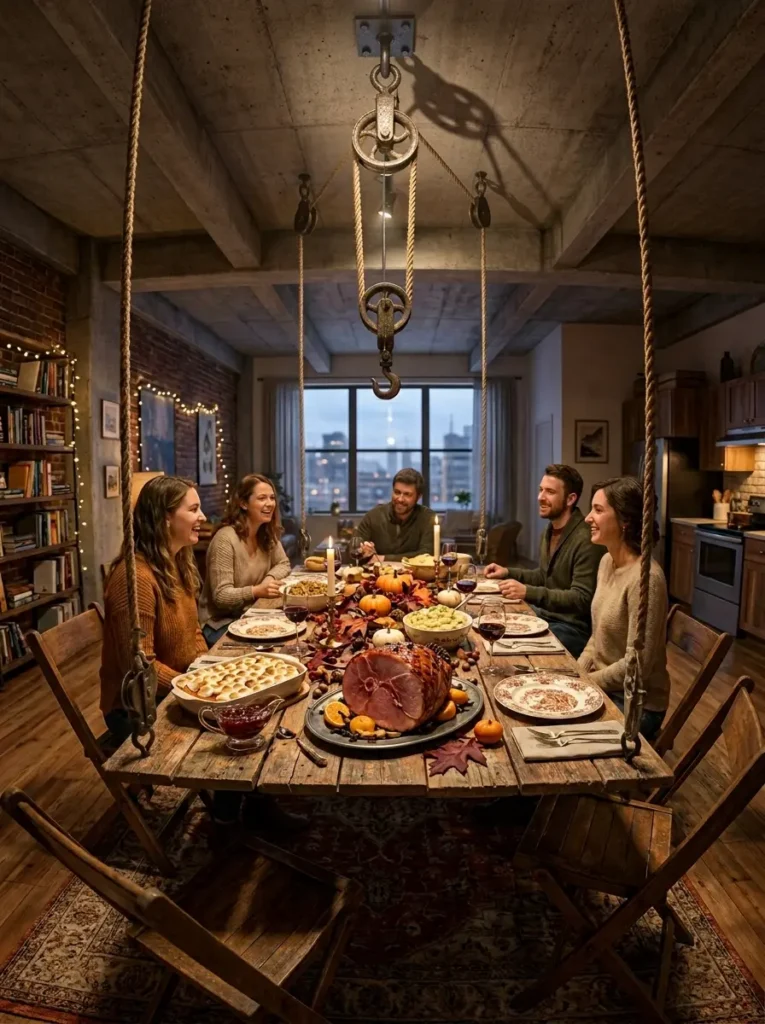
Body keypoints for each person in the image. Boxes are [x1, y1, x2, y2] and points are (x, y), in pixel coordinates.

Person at [100, 475, 208, 743]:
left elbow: (193, 630)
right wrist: (191, 686)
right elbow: (139, 669)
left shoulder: (178, 561)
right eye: (193, 510)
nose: (203, 517)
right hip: (139, 709)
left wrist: (207, 669)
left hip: (179, 687)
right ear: (165, 518)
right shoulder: (134, 578)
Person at [578, 476, 670, 741]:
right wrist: (578, 672)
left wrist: (587, 681)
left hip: (636, 704)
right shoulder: (607, 561)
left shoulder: (647, 579)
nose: (587, 518)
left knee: (556, 730)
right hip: (603, 686)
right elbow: (598, 636)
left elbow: (636, 667)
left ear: (625, 521)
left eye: (598, 510)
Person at [485, 464, 604, 657]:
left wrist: (527, 592)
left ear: (570, 499)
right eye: (541, 490)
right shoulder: (549, 531)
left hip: (572, 629)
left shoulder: (586, 539)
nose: (541, 497)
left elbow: (581, 599)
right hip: (546, 616)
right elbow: (544, 575)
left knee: (504, 646)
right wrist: (507, 572)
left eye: (550, 492)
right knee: (490, 623)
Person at [199, 474, 291, 646]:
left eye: (272, 498)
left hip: (250, 615)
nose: (270, 504)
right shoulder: (225, 539)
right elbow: (221, 596)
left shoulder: (266, 534)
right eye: (262, 498)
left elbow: (283, 563)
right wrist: (256, 591)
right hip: (219, 624)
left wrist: (269, 580)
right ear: (243, 504)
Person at [357, 468, 436, 559]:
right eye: (397, 492)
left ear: (418, 497)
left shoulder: (428, 518)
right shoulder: (373, 516)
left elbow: (426, 555)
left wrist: (382, 558)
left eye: (407, 494)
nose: (400, 499)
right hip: (377, 573)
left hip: (415, 573)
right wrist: (363, 550)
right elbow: (353, 548)